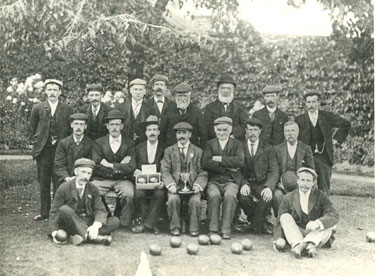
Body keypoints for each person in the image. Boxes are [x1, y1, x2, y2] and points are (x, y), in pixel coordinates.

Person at [29, 79, 73, 221]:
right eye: (50, 90)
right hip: (44, 151)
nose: (52, 93)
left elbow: (69, 129)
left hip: (60, 151)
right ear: (45, 92)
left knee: (59, 181)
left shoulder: (67, 109)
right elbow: (32, 128)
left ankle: (57, 211)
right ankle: (44, 213)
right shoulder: (38, 108)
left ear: (60, 92)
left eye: (55, 90)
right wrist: (36, 144)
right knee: (44, 182)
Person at [49, 158, 119, 246]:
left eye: (89, 173)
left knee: (114, 221)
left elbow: (100, 209)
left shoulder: (93, 188)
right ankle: (94, 238)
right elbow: (54, 212)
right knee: (64, 210)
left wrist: (95, 226)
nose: (86, 176)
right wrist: (54, 233)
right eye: (83, 172)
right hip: (71, 222)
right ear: (76, 172)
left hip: (88, 222)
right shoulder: (64, 188)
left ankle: (79, 235)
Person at [273, 167, 339, 258]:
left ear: (313, 183)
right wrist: (279, 238)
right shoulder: (288, 197)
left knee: (330, 225)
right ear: (298, 181)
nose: (305, 184)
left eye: (308, 181)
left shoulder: (321, 195)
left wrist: (317, 223)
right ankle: (301, 245)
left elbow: (334, 215)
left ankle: (303, 246)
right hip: (296, 233)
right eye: (302, 180)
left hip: (314, 232)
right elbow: (278, 222)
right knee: (284, 217)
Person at [295, 91, 350, 194]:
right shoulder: (299, 119)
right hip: (305, 156)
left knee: (323, 187)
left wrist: (336, 139)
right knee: (304, 185)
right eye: (308, 102)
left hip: (324, 156)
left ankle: (324, 209)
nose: (311, 105)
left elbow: (346, 124)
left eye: (313, 102)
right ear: (305, 103)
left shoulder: (327, 116)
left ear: (318, 103)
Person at [161, 122, 208, 236]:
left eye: (184, 133)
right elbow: (165, 171)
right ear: (176, 135)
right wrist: (171, 185)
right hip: (175, 186)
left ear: (190, 134)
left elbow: (203, 171)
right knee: (173, 200)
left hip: (192, 187)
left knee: (195, 201)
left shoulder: (198, 151)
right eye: (179, 133)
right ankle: (175, 227)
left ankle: (194, 228)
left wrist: (198, 185)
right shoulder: (169, 151)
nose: (181, 136)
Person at [91, 110, 136, 227]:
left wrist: (110, 165)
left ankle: (124, 223)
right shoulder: (98, 143)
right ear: (107, 126)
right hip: (102, 179)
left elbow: (131, 167)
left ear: (122, 126)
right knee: (91, 190)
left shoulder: (130, 144)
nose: (114, 128)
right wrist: (121, 165)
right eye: (111, 124)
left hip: (123, 179)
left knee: (129, 194)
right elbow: (96, 165)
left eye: (117, 124)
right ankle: (102, 217)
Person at [202, 117, 244, 239]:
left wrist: (219, 159)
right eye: (219, 130)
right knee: (214, 195)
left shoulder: (237, 144)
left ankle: (226, 229)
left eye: (225, 130)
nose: (221, 133)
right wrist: (226, 168)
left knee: (230, 196)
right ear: (215, 130)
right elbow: (205, 162)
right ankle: (213, 229)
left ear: (230, 130)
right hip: (213, 180)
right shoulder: (210, 144)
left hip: (231, 180)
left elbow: (240, 161)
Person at [238, 118, 278, 234]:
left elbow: (274, 170)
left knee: (266, 197)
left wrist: (269, 187)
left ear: (260, 131)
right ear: (246, 131)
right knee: (243, 198)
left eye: (255, 130)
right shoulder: (240, 146)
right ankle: (260, 224)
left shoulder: (268, 148)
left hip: (262, 183)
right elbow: (237, 170)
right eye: (250, 129)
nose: (252, 133)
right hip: (247, 183)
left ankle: (254, 225)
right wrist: (243, 183)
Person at [132, 115, 166, 234]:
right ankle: (146, 222)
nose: (152, 133)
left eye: (154, 130)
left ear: (159, 132)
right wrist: (136, 172)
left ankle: (149, 223)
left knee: (160, 195)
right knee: (138, 194)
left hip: (158, 183)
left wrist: (163, 181)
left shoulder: (164, 148)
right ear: (146, 132)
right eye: (149, 130)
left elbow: (166, 167)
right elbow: (133, 165)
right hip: (142, 183)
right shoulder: (138, 148)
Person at [273, 121, 315, 216]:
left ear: (298, 132)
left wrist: (303, 184)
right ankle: (282, 222)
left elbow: (311, 170)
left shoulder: (306, 149)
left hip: (300, 185)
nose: (290, 133)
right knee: (277, 196)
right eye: (287, 131)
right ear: (284, 133)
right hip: (281, 186)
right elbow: (274, 170)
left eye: (293, 130)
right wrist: (279, 184)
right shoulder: (277, 149)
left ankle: (300, 222)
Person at [160, 83, 207, 147]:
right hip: (172, 151)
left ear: (189, 96)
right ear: (176, 97)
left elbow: (203, 135)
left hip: (191, 151)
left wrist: (199, 152)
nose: (182, 99)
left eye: (185, 96)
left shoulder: (196, 111)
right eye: (180, 96)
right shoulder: (168, 110)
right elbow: (162, 134)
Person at [204, 74, 249, 141]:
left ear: (233, 90)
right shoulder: (210, 107)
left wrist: (232, 136)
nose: (225, 91)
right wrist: (220, 136)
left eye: (228, 88)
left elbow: (245, 125)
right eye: (223, 88)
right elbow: (207, 126)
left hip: (236, 142)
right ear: (218, 89)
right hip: (215, 142)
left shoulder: (240, 107)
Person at [54, 113, 93, 185]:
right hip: (66, 180)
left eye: (81, 124)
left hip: (84, 180)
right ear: (71, 125)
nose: (78, 127)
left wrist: (79, 178)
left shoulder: (90, 144)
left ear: (85, 126)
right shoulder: (63, 143)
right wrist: (66, 177)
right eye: (76, 124)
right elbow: (59, 165)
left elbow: (91, 165)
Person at [119, 78, 153, 145]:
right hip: (125, 144)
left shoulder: (150, 108)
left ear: (144, 91)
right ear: (130, 91)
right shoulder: (121, 107)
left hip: (143, 144)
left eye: (140, 90)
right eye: (135, 89)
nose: (138, 92)